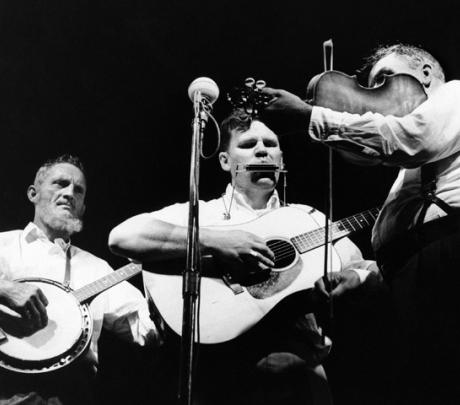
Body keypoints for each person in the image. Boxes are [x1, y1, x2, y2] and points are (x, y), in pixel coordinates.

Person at [257, 43, 460, 405]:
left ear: (425, 73)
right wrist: (365, 276)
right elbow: (415, 236)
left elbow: (408, 139)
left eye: (384, 79)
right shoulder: (419, 166)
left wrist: (309, 117)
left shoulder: (459, 93)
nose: (373, 96)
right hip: (437, 270)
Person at [108, 109, 381, 405]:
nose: (262, 150)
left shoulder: (309, 217)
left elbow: (368, 269)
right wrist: (214, 240)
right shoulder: (203, 214)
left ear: (281, 160)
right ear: (225, 160)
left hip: (298, 370)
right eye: (249, 145)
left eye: (271, 144)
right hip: (217, 374)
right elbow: (123, 237)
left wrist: (358, 277)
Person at [0, 154, 161, 404]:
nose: (69, 193)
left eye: (79, 190)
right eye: (60, 183)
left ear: (83, 208)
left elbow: (148, 329)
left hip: (68, 395)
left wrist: (172, 281)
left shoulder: (98, 269)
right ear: (33, 193)